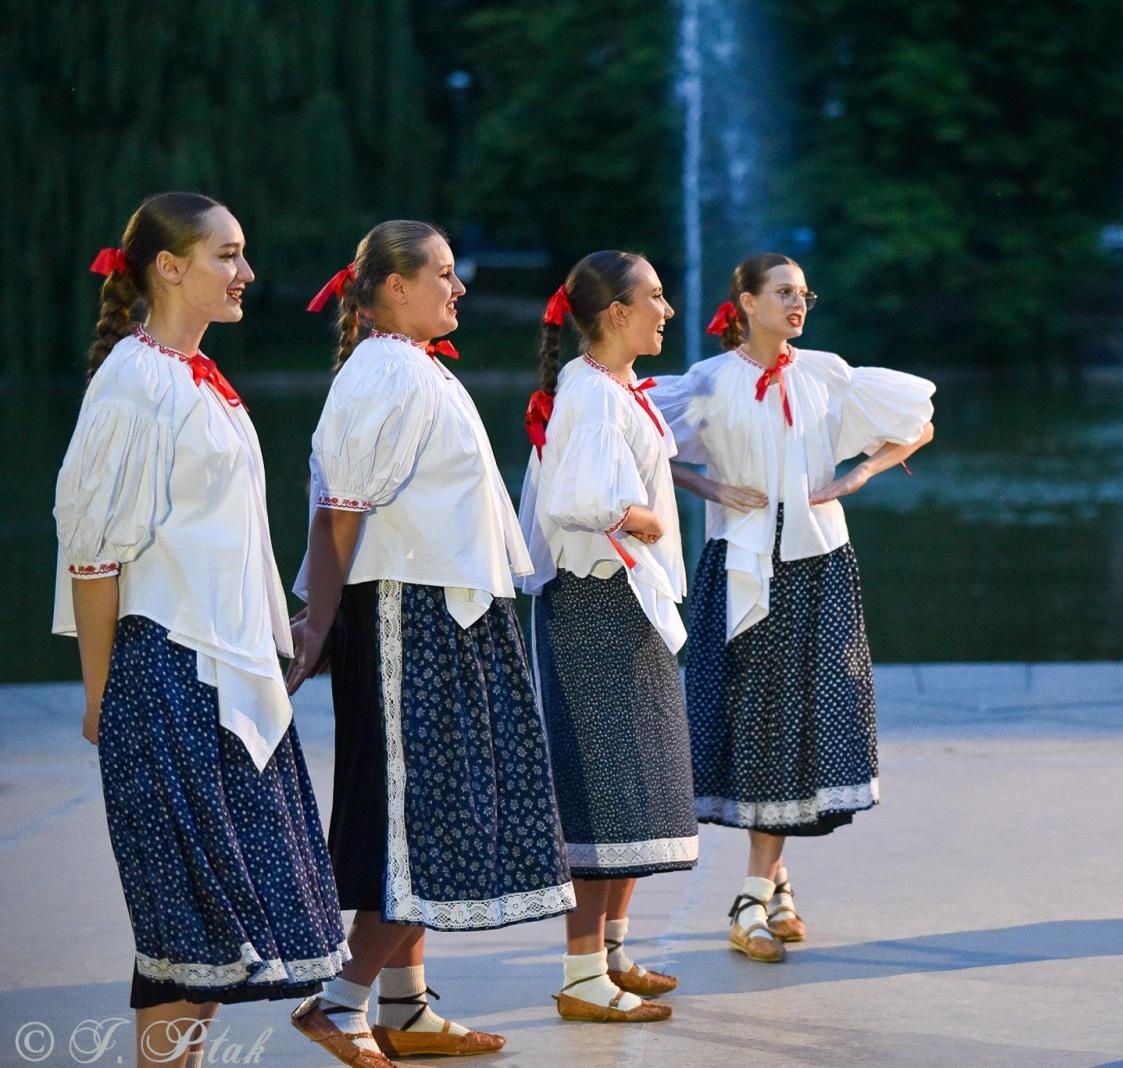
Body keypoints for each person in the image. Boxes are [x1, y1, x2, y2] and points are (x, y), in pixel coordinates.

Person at [53, 192, 348, 1067]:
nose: (246, 272)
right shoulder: (136, 382)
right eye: (227, 255)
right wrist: (106, 701)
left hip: (223, 680)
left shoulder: (190, 378)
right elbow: (93, 556)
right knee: (189, 924)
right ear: (169, 267)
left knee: (215, 932)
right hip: (169, 674)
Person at [287, 220, 574, 1066]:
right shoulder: (387, 371)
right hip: (410, 615)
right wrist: (318, 621)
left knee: (428, 819)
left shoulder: (409, 369)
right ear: (394, 288)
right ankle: (338, 1003)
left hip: (443, 612)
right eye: (442, 274)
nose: (458, 289)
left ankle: (405, 1010)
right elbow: (341, 508)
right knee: (425, 820)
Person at [652, 253, 934, 963]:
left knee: (795, 719)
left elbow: (919, 421)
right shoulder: (710, 382)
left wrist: (860, 473)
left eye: (804, 294)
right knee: (757, 720)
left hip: (817, 564)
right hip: (742, 563)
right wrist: (706, 488)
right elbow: (639, 446)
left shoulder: (827, 373)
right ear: (744, 301)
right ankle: (762, 890)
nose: (797, 304)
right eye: (783, 293)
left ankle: (764, 887)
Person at [519, 250, 695, 1023]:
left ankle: (613, 953)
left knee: (634, 788)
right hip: (596, 604)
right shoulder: (588, 392)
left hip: (626, 603)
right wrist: (637, 517)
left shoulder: (615, 387)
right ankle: (583, 973)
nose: (667, 310)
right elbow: (572, 495)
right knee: (600, 789)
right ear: (616, 313)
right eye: (654, 298)